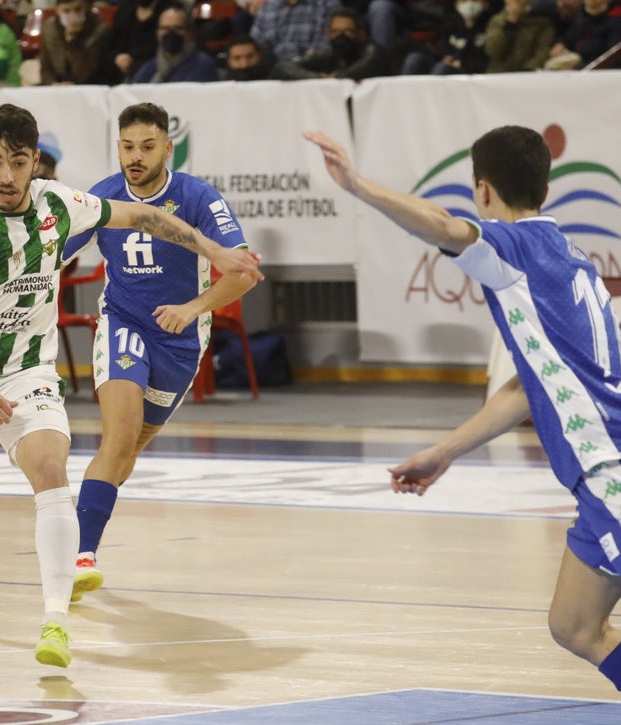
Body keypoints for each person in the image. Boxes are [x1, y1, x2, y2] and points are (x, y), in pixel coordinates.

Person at [0, 103, 262, 670]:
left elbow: (144, 218)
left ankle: (55, 621)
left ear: (34, 165)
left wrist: (215, 251)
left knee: (52, 470)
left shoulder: (61, 203)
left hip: (28, 371)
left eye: (17, 163)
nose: (5, 175)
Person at [304, 124, 621, 692]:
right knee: (574, 625)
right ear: (545, 187)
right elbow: (527, 390)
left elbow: (447, 230)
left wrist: (358, 186)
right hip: (604, 475)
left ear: (482, 191)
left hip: (611, 471)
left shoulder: (515, 250)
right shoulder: (572, 261)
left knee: (577, 625)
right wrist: (443, 452)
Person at [63, 103, 258, 601]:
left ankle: (81, 512)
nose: (135, 156)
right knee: (119, 433)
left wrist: (194, 307)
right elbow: (53, 254)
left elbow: (245, 272)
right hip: (123, 322)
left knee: (131, 447)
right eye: (127, 147)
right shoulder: (102, 197)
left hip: (181, 340)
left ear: (167, 148)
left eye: (147, 147)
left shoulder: (197, 197)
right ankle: (80, 555)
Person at [273, 8, 391, 79]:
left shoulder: (372, 50)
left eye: (347, 31)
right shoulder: (326, 54)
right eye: (336, 32)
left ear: (360, 34)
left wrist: (335, 78)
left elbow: (368, 65)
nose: (341, 36)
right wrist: (318, 78)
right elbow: (283, 68)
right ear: (328, 34)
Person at [130, 6, 221, 82]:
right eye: (165, 28)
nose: (171, 33)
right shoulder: (148, 68)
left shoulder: (203, 64)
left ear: (188, 33)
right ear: (157, 33)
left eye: (178, 28)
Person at [38, 0, 118, 86]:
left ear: (87, 8)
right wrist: (53, 83)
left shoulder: (100, 30)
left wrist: (73, 40)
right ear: (57, 11)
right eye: (66, 11)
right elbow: (46, 66)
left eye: (78, 9)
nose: (73, 16)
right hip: (59, 85)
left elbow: (83, 74)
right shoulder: (51, 27)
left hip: (90, 86)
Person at [401, 0, 492, 74]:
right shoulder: (450, 22)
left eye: (475, 1)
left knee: (441, 69)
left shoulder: (491, 24)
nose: (469, 4)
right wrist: (443, 58)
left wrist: (462, 63)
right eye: (464, 1)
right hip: (446, 65)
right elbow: (439, 51)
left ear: (486, 4)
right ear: (457, 5)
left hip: (469, 71)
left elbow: (489, 59)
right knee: (414, 59)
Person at [109, 0, 178, 82]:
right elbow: (110, 45)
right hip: (118, 70)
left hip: (154, 71)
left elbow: (169, 46)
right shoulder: (124, 11)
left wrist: (131, 59)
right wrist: (117, 58)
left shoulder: (171, 11)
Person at [251, 0, 341, 62]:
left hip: (313, 68)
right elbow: (256, 43)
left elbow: (330, 41)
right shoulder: (268, 5)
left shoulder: (327, 3)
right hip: (274, 70)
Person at [485, 0, 556, 72]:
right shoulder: (496, 21)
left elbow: (543, 51)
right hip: (499, 75)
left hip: (528, 76)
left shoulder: (542, 23)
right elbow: (494, 52)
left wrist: (527, 70)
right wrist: (510, 23)